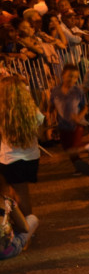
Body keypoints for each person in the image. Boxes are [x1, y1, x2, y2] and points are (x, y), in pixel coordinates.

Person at [0, 75, 44, 216]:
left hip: (10, 159)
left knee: (16, 193)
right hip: (31, 157)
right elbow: (41, 134)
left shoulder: (3, 113)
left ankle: (27, 228)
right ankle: (23, 223)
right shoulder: (33, 112)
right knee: (20, 192)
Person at [50, 63, 87, 151]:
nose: (72, 79)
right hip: (63, 126)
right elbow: (52, 104)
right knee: (67, 149)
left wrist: (79, 117)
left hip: (76, 126)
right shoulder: (55, 91)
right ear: (63, 75)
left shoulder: (78, 91)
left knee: (74, 151)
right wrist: (48, 113)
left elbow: (85, 107)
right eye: (70, 76)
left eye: (75, 77)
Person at [0, 173, 37, 260]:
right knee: (32, 219)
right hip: (5, 252)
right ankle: (22, 244)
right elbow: (24, 228)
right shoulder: (7, 201)